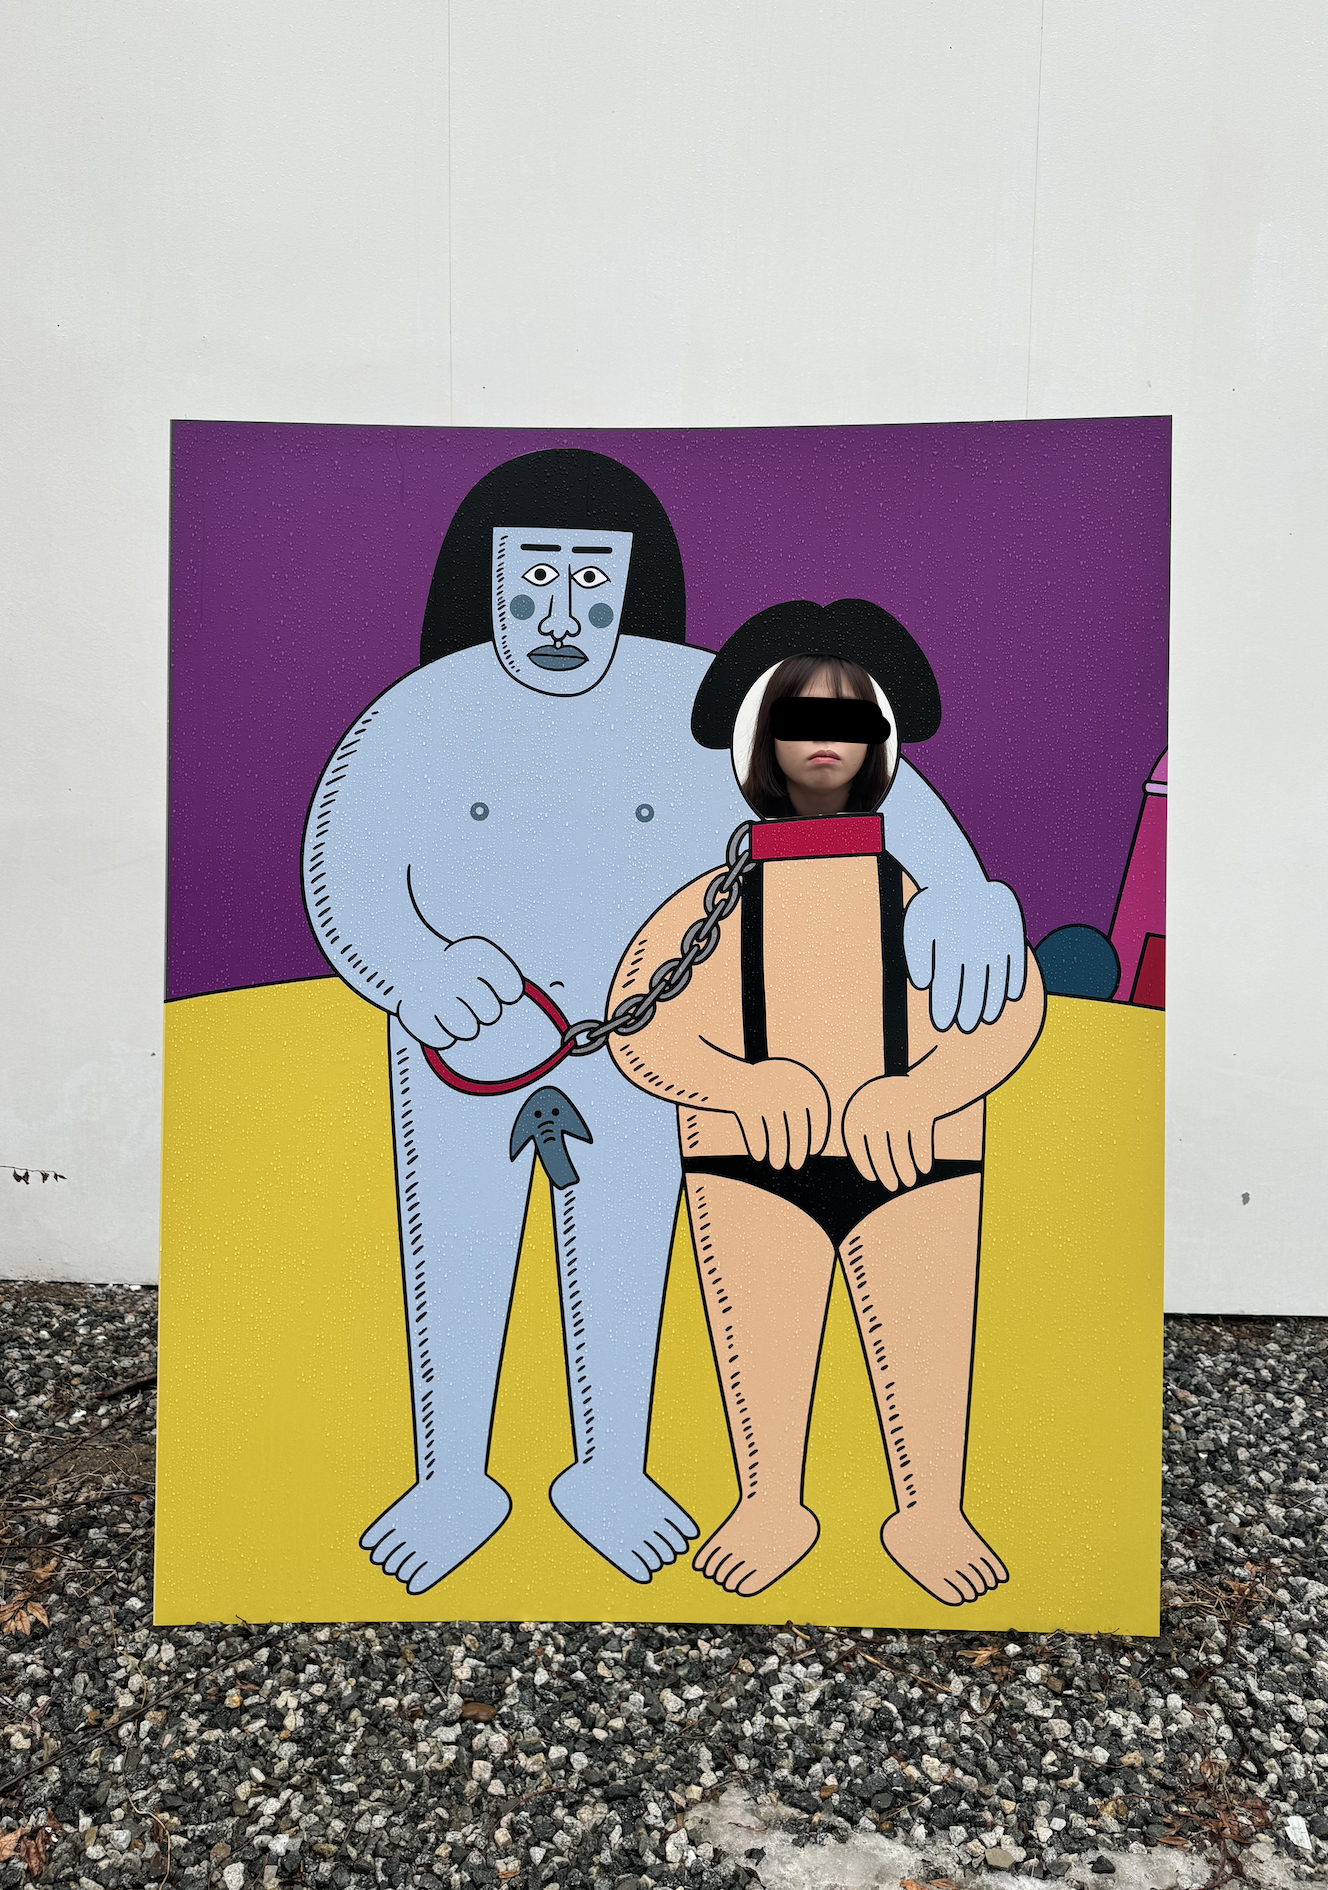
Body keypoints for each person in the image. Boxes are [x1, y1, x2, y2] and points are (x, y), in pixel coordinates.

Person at [303, 457, 1029, 1594]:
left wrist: (965, 895)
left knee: (628, 1246)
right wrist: (409, 971)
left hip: (646, 1037)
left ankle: (609, 1470)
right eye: (533, 575)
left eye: (591, 579)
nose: (560, 614)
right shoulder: (415, 713)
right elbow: (343, 865)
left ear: (636, 583)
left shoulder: (691, 698)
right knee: (455, 1249)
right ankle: (450, 1479)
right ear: (482, 579)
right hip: (464, 1043)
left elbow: (873, 786)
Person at [606, 599, 1045, 1603]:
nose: (824, 742)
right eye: (801, 719)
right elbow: (640, 1027)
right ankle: (770, 1503)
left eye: (848, 722)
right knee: (758, 1339)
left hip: (920, 1164)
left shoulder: (933, 896)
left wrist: (927, 1090)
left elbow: (1008, 1010)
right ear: (760, 738)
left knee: (925, 1336)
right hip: (746, 1167)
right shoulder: (713, 900)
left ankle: (930, 1510)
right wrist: (737, 1083)